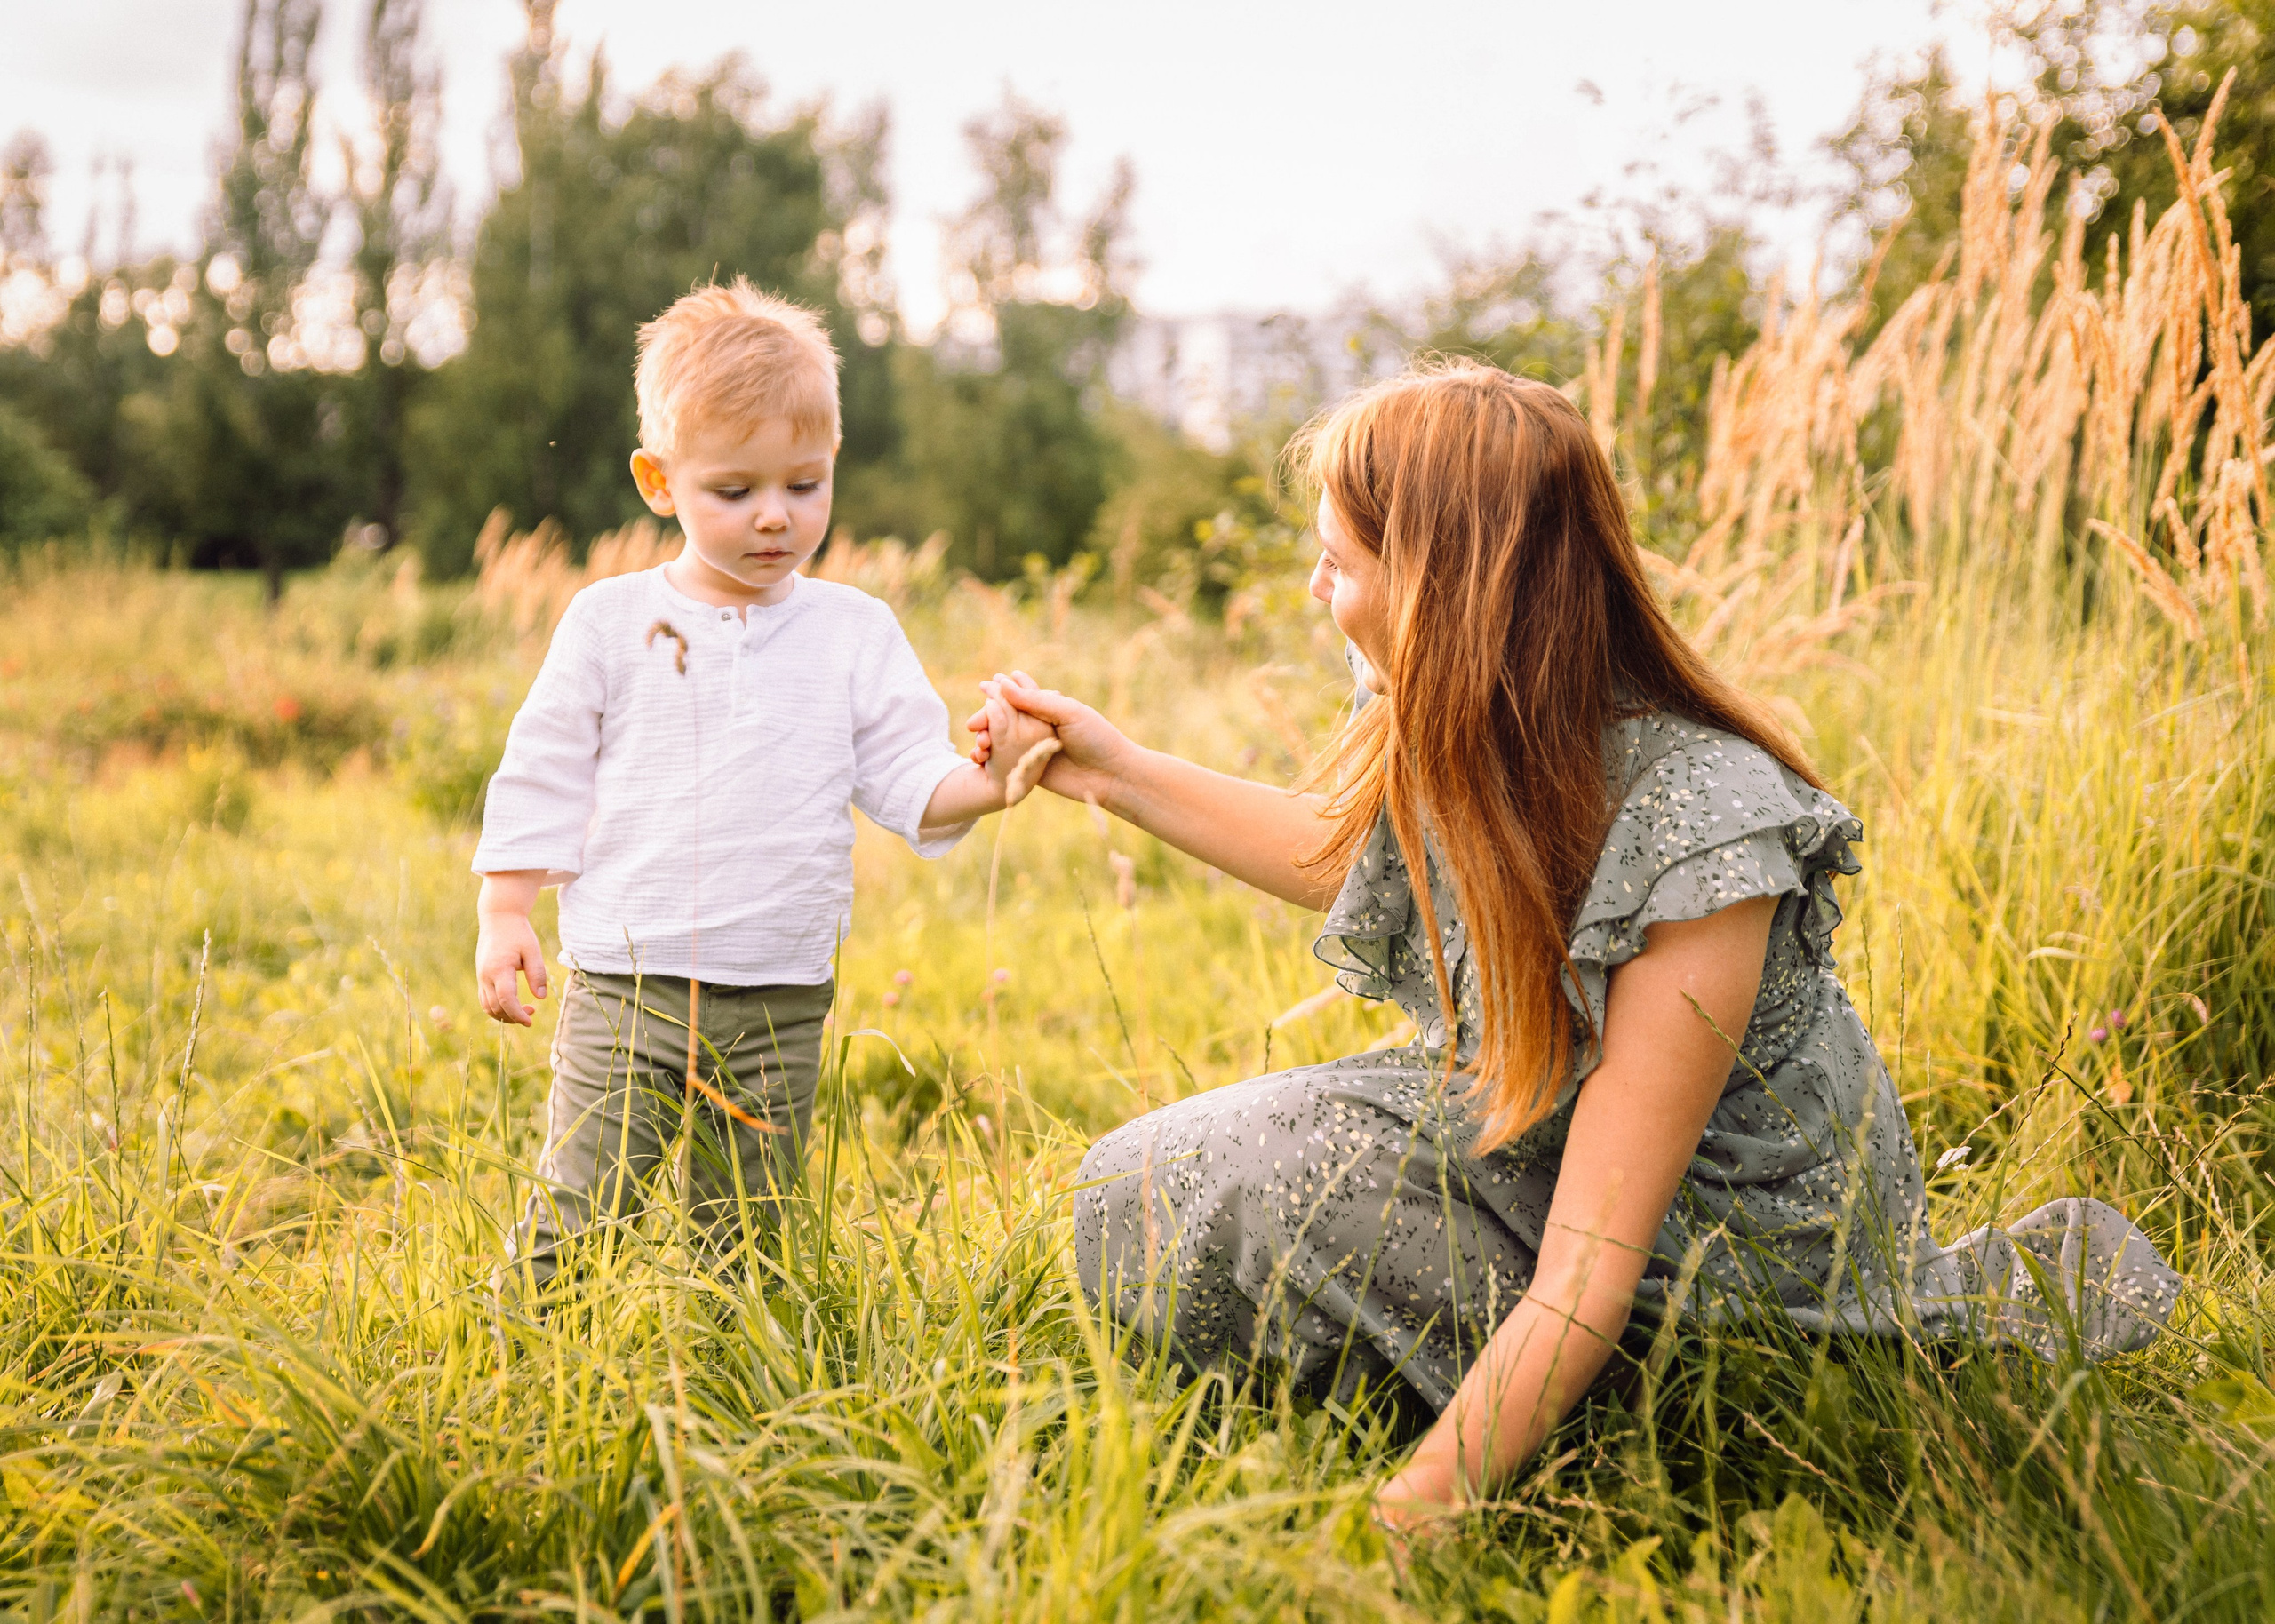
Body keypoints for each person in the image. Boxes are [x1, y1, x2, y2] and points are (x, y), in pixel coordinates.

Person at [973, 360, 2180, 1531]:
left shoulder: (1704, 831)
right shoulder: (1458, 714)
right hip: (1556, 1157)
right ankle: (1454, 1398)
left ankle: (1626, 1441)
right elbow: (1353, 861)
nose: (1312, 588)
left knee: (1260, 1179)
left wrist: (1404, 1525)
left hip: (1733, 1284)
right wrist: (1113, 770)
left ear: (1444, 584)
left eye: (1337, 563)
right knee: (1141, 1182)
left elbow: (1592, 1266)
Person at [473, 278, 1055, 1289]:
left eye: (805, 484)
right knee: (580, 1208)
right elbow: (545, 765)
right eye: (734, 492)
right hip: (628, 984)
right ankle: (524, 1358)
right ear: (660, 482)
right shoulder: (610, 622)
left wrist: (994, 780)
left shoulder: (853, 631)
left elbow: (908, 776)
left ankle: (744, 1393)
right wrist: (506, 907)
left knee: (750, 1238)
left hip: (780, 995)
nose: (776, 517)